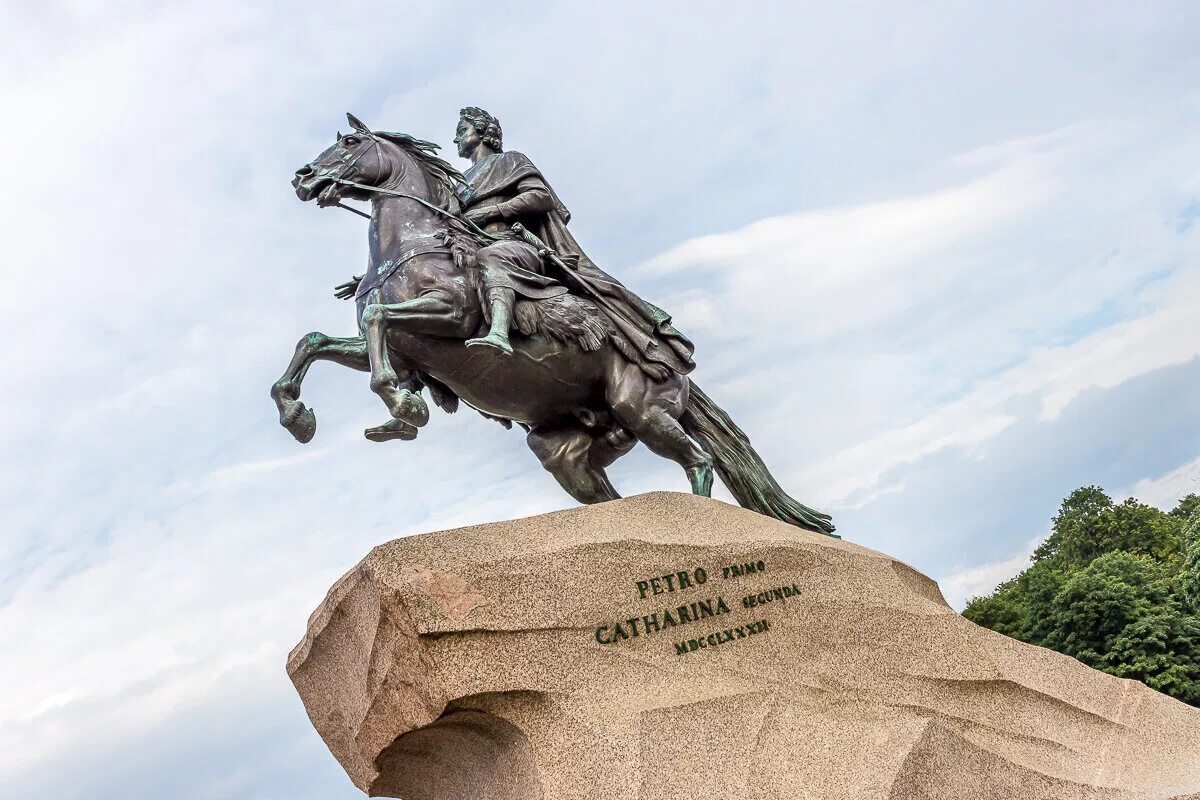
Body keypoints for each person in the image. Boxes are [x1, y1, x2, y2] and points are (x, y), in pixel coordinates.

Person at [454, 107, 695, 376]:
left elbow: (539, 197)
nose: (456, 139)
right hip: (470, 244)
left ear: (484, 133)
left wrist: (492, 211)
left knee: (492, 257)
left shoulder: (510, 161)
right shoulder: (458, 182)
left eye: (462, 131)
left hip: (513, 244)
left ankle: (499, 331)